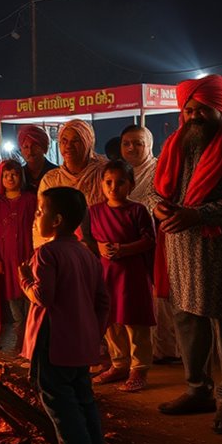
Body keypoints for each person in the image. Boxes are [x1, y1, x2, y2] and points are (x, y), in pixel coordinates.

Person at [153, 74, 222, 434]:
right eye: (189, 110)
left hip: (221, 249)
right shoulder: (175, 144)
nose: (194, 116)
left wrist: (197, 214)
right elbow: (157, 191)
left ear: (220, 107)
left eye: (201, 110)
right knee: (187, 320)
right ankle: (198, 390)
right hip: (180, 247)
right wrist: (159, 208)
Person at [19, 186, 110, 444]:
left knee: (60, 405)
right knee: (84, 398)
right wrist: (95, 332)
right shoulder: (87, 255)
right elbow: (103, 300)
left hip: (54, 345)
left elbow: (43, 297)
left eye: (39, 212)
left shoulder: (46, 253)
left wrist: (24, 279)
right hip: (81, 344)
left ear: (56, 220)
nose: (36, 218)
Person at [84, 161, 156, 392]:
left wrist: (124, 249)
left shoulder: (137, 210)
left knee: (134, 322)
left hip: (132, 275)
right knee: (110, 321)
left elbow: (149, 240)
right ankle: (119, 363)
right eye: (108, 182)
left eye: (120, 182)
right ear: (101, 184)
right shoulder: (93, 211)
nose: (113, 187)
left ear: (131, 185)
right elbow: (85, 239)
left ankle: (139, 368)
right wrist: (99, 246)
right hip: (105, 274)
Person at [120, 125, 178, 365]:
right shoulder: (120, 172)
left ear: (149, 145)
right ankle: (137, 351)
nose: (132, 147)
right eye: (127, 143)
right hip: (125, 246)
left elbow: (160, 200)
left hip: (156, 242)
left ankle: (166, 349)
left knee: (160, 297)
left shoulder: (160, 170)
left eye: (138, 143)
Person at [0, 159, 37, 355]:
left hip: (28, 257)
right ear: (1, 178)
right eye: (6, 175)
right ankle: (20, 338)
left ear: (20, 176)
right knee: (14, 300)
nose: (10, 178)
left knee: (31, 299)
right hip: (7, 260)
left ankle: (32, 340)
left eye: (14, 174)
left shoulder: (30, 199)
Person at [34, 120, 106, 248]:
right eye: (64, 141)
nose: (68, 146)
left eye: (75, 141)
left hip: (100, 249)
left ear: (87, 142)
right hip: (61, 252)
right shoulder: (51, 179)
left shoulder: (103, 174)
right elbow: (42, 218)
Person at [17, 125, 57, 193]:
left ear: (43, 147)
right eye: (26, 147)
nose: (30, 151)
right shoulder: (18, 174)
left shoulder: (56, 173)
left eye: (34, 146)